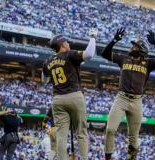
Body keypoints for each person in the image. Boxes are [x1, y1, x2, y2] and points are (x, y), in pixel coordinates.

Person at [101, 28, 155, 160]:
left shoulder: (147, 63)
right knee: (110, 130)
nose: (132, 47)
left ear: (141, 49)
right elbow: (105, 54)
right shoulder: (124, 58)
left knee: (133, 137)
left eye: (135, 45)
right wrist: (114, 40)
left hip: (137, 101)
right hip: (121, 98)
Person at [42, 28, 97, 160]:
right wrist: (93, 37)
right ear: (62, 44)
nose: (69, 44)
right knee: (81, 132)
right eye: (66, 42)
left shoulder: (47, 61)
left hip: (57, 100)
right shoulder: (70, 54)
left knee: (61, 135)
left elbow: (44, 81)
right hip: (74, 96)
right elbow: (89, 54)